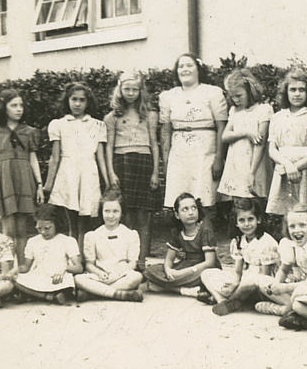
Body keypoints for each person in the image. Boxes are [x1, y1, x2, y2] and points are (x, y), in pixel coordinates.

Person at [105, 72, 160, 271]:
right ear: (119, 90)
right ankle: (124, 261)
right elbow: (109, 146)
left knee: (143, 216)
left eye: (135, 89)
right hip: (122, 163)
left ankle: (142, 262)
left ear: (140, 91)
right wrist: (111, 173)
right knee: (125, 215)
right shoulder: (112, 117)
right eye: (126, 89)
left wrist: (156, 172)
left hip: (144, 163)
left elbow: (154, 143)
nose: (130, 93)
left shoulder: (149, 115)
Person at [44, 82, 108, 252]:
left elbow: (100, 156)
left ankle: (84, 258)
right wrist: (49, 184)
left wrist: (107, 181)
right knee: (72, 223)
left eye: (82, 100)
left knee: (85, 224)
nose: (78, 104)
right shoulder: (59, 124)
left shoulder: (97, 125)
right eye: (74, 99)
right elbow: (55, 157)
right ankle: (74, 259)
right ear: (68, 100)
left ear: (88, 103)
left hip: (88, 173)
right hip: (68, 174)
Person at [0, 89, 44, 266]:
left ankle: (23, 268)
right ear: (4, 108)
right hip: (4, 181)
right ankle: (8, 269)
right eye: (13, 105)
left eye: (21, 105)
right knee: (8, 231)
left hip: (24, 180)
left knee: (22, 230)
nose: (19, 109)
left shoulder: (29, 132)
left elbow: (33, 159)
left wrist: (39, 184)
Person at [159, 53, 228, 209]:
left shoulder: (213, 93)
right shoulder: (168, 96)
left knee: (205, 196)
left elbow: (221, 126)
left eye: (189, 65)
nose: (185, 69)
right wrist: (166, 158)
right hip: (179, 153)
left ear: (198, 69)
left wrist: (218, 158)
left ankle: (206, 232)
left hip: (205, 152)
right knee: (180, 198)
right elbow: (165, 129)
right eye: (181, 66)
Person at [200, 198, 279, 315]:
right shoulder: (238, 241)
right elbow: (237, 272)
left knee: (251, 281)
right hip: (243, 282)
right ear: (236, 223)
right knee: (206, 274)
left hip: (261, 286)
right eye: (242, 220)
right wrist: (233, 285)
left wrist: (240, 285)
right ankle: (221, 300)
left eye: (250, 219)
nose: (246, 224)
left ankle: (231, 300)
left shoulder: (267, 242)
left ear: (259, 220)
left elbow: (265, 276)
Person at [255, 203, 307, 316]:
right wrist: (276, 285)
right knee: (263, 281)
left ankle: (284, 310)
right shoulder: (289, 244)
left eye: (302, 225)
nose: (296, 230)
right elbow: (284, 270)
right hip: (298, 286)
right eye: (292, 226)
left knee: (301, 291)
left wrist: (285, 288)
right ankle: (292, 307)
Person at [266, 69, 307, 219]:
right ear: (286, 93)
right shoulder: (277, 117)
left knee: (304, 210)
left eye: (301, 90)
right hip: (283, 168)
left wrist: (296, 167)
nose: (297, 94)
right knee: (284, 212)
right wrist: (288, 166)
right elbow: (272, 149)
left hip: (305, 169)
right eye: (293, 90)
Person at [143, 192, 221, 296]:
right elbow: (169, 259)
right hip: (186, 265)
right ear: (177, 215)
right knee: (150, 271)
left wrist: (181, 273)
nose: (191, 212)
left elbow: (209, 262)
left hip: (201, 268)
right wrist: (168, 270)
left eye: (194, 208)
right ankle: (185, 289)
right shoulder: (178, 232)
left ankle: (173, 288)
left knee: (208, 276)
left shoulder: (205, 231)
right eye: (185, 209)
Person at [74, 190, 144, 302]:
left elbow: (132, 263)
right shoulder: (93, 235)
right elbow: (89, 265)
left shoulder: (130, 234)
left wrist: (119, 273)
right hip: (100, 277)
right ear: (101, 212)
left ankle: (94, 294)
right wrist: (99, 273)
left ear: (122, 212)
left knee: (136, 277)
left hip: (121, 275)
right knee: (78, 279)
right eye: (107, 211)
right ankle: (118, 294)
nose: (111, 216)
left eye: (116, 211)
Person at [217, 68, 273, 203]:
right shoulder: (235, 111)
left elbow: (260, 143)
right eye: (232, 96)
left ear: (250, 91)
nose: (235, 100)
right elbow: (225, 136)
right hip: (236, 163)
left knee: (254, 201)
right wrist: (246, 133)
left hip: (254, 164)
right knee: (238, 203)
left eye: (239, 95)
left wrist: (252, 172)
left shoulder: (264, 110)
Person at [10, 204, 82, 304]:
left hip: (58, 278)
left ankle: (31, 295)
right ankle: (49, 297)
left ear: (56, 224)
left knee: (68, 281)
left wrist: (65, 268)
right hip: (39, 276)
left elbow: (79, 267)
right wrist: (15, 270)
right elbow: (26, 267)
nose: (43, 232)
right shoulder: (33, 241)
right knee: (14, 279)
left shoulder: (67, 241)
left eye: (47, 228)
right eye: (39, 228)